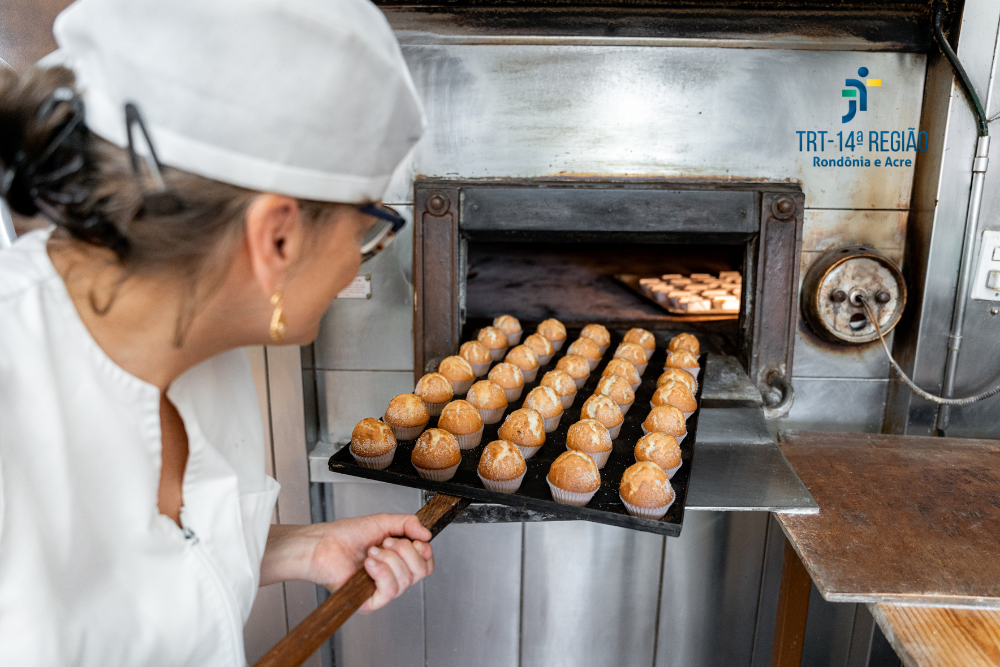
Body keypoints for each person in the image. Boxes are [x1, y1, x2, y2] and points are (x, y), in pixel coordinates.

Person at [0, 0, 431, 664]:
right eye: (369, 227)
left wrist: (300, 546)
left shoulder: (204, 342)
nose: (360, 257)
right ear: (276, 237)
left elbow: (156, 558)